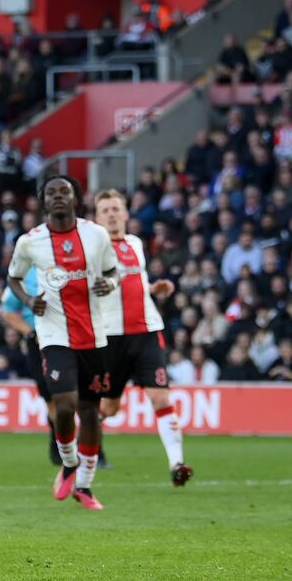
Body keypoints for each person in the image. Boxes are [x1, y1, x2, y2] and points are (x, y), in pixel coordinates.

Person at [6, 175, 119, 511]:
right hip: (54, 334)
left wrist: (108, 285)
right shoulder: (30, 242)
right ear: (43, 202)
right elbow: (12, 278)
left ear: (75, 199)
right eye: (51, 192)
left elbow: (112, 272)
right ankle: (69, 462)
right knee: (66, 405)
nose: (57, 197)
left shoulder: (96, 235)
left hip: (94, 335)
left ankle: (84, 485)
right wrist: (28, 300)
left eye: (64, 192)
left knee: (91, 412)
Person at [94, 190, 193, 487]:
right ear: (97, 218)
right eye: (105, 210)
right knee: (109, 408)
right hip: (111, 337)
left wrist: (153, 289)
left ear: (125, 214)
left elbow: (133, 282)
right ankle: (89, 436)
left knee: (161, 396)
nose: (112, 214)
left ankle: (177, 463)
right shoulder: (93, 249)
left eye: (116, 209)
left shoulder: (136, 243)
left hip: (147, 331)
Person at [0, 265, 62, 466]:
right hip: (37, 343)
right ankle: (57, 439)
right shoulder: (26, 275)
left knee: (76, 395)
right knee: (50, 396)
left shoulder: (65, 265)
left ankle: (93, 449)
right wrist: (30, 333)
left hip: (66, 338)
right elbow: (8, 312)